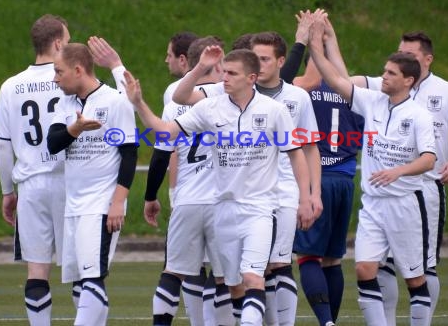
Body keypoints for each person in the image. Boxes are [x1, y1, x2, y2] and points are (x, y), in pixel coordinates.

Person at [124, 47, 314, 326]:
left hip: (259, 210)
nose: (225, 78)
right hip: (222, 211)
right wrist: (139, 103)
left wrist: (305, 198)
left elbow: (296, 154)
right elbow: (165, 131)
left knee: (253, 279)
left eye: (232, 74)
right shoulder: (209, 108)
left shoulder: (274, 111)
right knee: (234, 286)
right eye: (224, 72)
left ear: (251, 78)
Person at [309, 15, 437, 326]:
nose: (384, 77)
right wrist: (316, 46)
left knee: (415, 279)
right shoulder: (372, 102)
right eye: (384, 71)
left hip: (405, 205)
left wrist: (398, 172)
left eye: (391, 73)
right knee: (365, 269)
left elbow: (429, 159)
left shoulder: (419, 115)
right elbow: (338, 79)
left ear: (408, 80)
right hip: (373, 206)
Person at [351, 31, 448, 325]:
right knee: (379, 266)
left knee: (422, 267)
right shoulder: (384, 88)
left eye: (411, 54)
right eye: (399, 52)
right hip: (382, 193)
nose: (403, 57)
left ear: (426, 60)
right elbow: (346, 81)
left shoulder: (446, 91)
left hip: (424, 191)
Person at [144, 36, 235, 326]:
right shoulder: (230, 96)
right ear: (217, 63)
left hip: (187, 198)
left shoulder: (175, 101)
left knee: (173, 272)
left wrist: (150, 196)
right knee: (222, 278)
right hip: (222, 200)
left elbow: (160, 155)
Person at [47, 43, 138, 326]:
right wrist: (75, 128)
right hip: (73, 204)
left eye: (59, 71)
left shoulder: (114, 101)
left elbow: (129, 153)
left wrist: (117, 201)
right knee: (80, 284)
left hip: (100, 204)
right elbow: (53, 143)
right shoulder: (64, 103)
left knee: (92, 278)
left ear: (78, 70)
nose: (55, 78)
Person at [0, 14, 70, 326]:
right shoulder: (73, 76)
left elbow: (3, 146)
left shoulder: (10, 86)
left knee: (37, 270)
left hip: (31, 186)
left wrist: (7, 192)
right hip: (68, 181)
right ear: (58, 43)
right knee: (79, 269)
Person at [292, 12, 364, 326]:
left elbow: (293, 81)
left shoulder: (299, 88)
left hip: (316, 179)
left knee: (307, 257)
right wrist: (326, 38)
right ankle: (330, 321)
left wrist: (309, 38)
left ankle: (326, 322)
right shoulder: (349, 90)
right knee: (333, 260)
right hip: (345, 179)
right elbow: (338, 72)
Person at [249, 31, 322, 326]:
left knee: (279, 263)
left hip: (284, 191)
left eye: (265, 59)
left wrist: (312, 194)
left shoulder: (297, 97)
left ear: (281, 61)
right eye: (255, 58)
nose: (259, 64)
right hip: (247, 193)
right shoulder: (238, 94)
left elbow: (309, 147)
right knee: (253, 269)